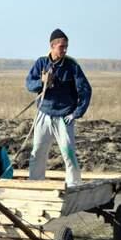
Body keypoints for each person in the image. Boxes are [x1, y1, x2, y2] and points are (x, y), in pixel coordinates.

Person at [25, 28, 92, 186]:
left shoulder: (72, 66)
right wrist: (42, 83)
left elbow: (85, 89)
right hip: (43, 113)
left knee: (68, 151)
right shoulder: (41, 63)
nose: (64, 49)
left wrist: (77, 113)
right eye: (61, 46)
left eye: (66, 46)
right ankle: (35, 183)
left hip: (64, 116)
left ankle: (74, 185)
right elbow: (29, 84)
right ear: (52, 46)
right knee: (38, 151)